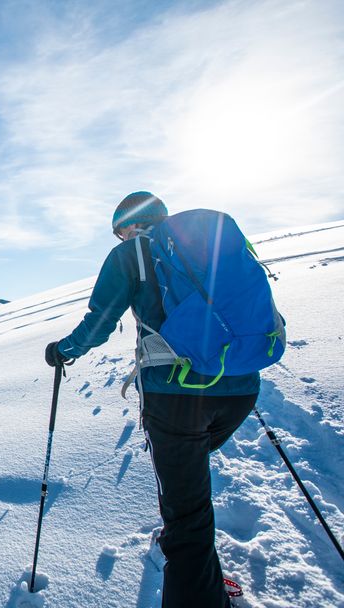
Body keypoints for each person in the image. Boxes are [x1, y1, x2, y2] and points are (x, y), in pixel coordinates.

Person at [45, 192, 260, 608]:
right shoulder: (207, 248)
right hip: (240, 387)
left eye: (119, 229)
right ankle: (200, 573)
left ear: (127, 225)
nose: (121, 235)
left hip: (174, 395)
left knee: (187, 514)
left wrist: (63, 350)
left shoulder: (131, 254)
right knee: (189, 486)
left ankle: (197, 590)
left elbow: (101, 321)